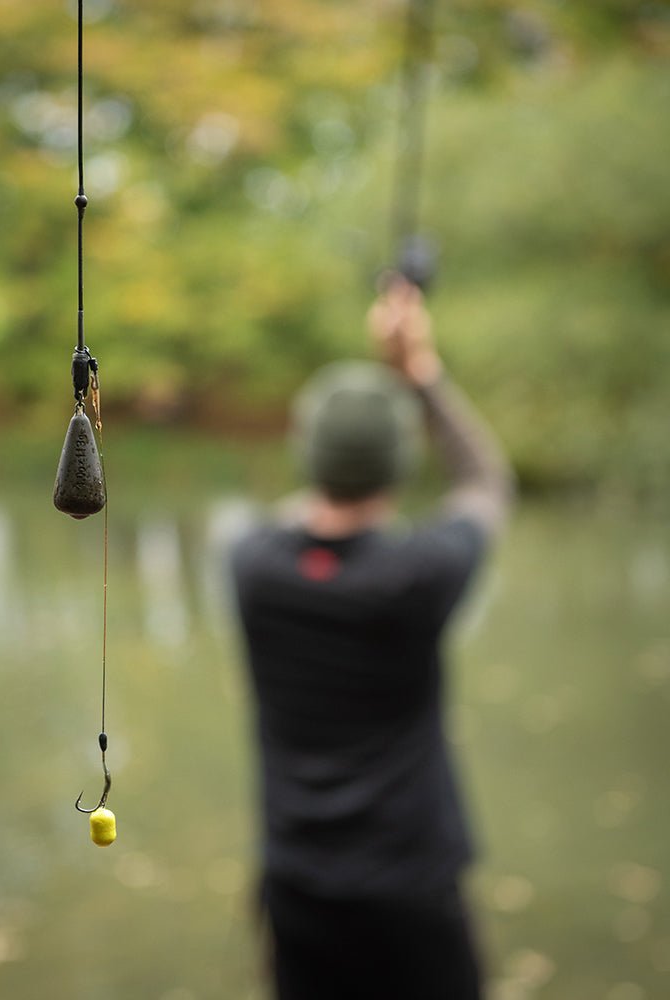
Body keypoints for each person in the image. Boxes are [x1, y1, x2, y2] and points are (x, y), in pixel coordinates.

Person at [229, 277, 514, 1000]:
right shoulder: (420, 573)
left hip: (296, 886)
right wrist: (421, 376)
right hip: (412, 888)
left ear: (308, 457)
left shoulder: (253, 564)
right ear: (397, 466)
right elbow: (485, 482)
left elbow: (303, 512)